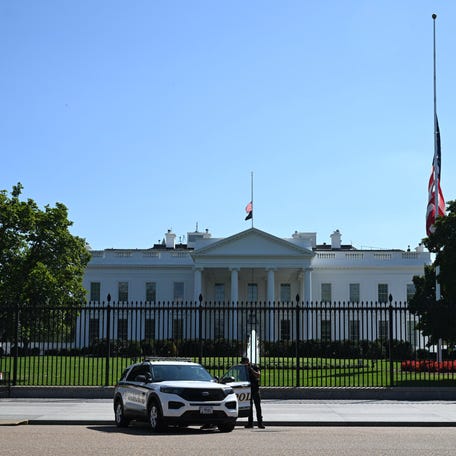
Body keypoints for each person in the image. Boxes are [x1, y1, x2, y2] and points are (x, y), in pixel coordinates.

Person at [241, 356, 265, 429]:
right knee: (249, 407)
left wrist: (250, 369)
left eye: (244, 363)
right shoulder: (243, 369)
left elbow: (258, 375)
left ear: (247, 362)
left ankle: (260, 423)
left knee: (258, 406)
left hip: (255, 388)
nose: (243, 365)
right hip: (248, 389)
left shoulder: (254, 366)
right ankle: (250, 423)